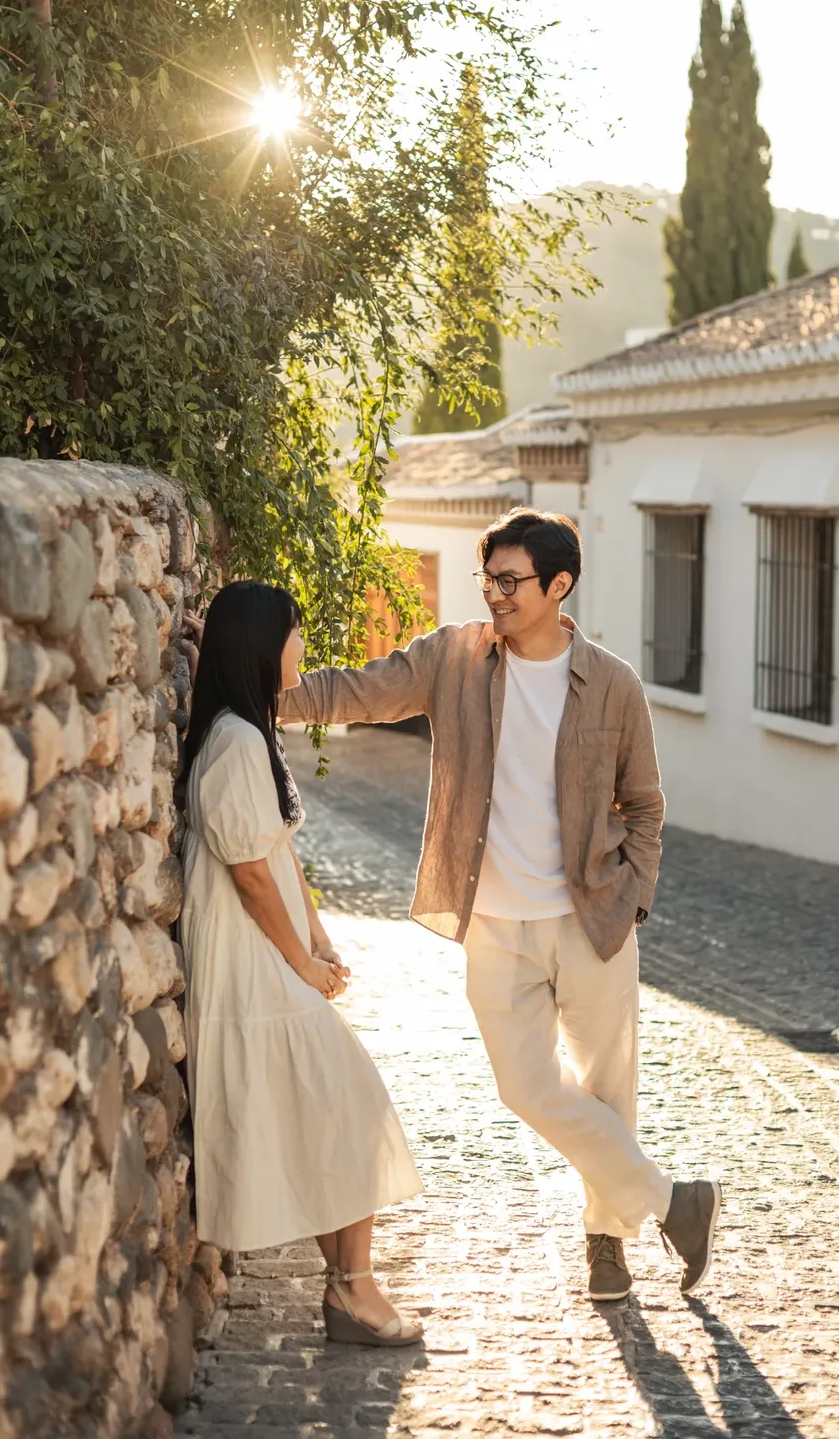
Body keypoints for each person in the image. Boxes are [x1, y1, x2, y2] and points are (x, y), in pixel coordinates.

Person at [184, 510, 721, 1302]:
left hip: (593, 917)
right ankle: (678, 1203)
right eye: (488, 579)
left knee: (607, 1086)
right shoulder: (456, 658)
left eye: (511, 581)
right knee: (525, 1088)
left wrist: (632, 897)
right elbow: (358, 692)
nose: (495, 595)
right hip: (494, 921)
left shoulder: (612, 684)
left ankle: (607, 1239)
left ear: (559, 585)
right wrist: (249, 678)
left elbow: (643, 804)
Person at [179, 580, 423, 1346]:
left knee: (334, 1115)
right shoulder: (236, 741)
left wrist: (317, 936)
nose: (302, 647)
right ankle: (353, 1288)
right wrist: (301, 965)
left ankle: (350, 1289)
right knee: (351, 1106)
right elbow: (250, 875)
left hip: (273, 956)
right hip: (250, 965)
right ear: (260, 646)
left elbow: (276, 852)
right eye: (293, 633)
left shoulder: (250, 732)